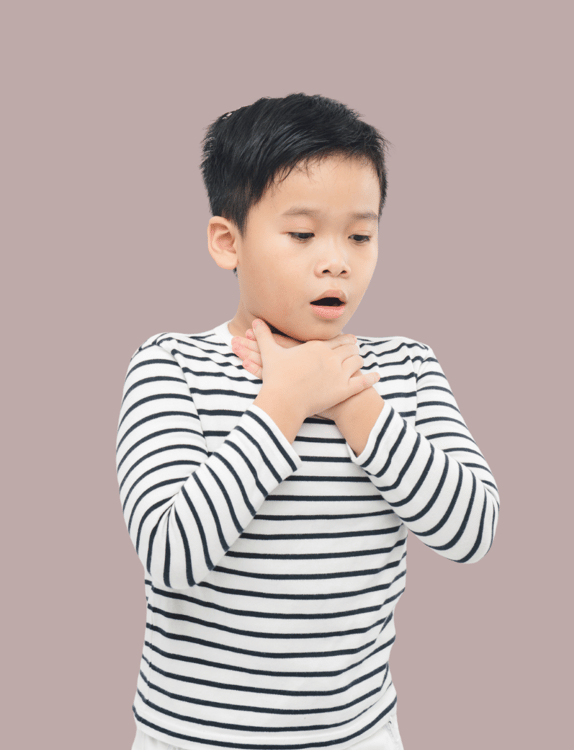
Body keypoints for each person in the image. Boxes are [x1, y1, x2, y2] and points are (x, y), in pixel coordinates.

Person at [116, 93, 500, 750]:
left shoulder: (405, 369)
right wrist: (284, 403)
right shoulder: (171, 366)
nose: (337, 260)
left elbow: (472, 532)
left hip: (356, 735)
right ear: (228, 242)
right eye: (302, 235)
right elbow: (170, 554)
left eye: (360, 236)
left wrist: (352, 400)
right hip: (193, 737)